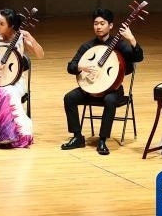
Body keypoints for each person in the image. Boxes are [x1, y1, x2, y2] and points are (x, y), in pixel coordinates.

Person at [60, 8, 144, 156]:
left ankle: (102, 140)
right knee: (69, 98)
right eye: (96, 23)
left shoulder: (119, 45)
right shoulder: (88, 46)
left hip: (113, 89)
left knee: (110, 100)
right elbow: (71, 67)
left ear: (110, 26)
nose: (98, 27)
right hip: (91, 88)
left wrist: (131, 39)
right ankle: (77, 136)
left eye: (102, 23)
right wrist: (80, 67)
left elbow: (138, 58)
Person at [0, 8, 44, 148]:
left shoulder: (21, 39)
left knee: (7, 93)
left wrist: (31, 38)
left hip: (16, 82)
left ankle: (9, 134)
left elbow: (40, 55)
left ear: (11, 26)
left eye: (2, 23)